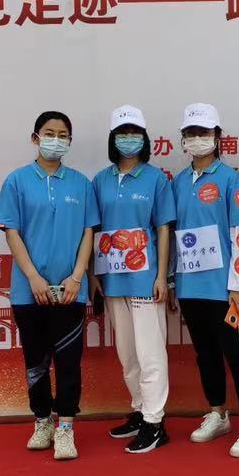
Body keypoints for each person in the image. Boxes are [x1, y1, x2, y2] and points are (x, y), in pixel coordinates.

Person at [0, 111, 98, 461]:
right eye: (49, 133)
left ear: (70, 141)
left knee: (69, 362)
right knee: (35, 361)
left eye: (63, 135)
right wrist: (33, 277)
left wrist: (77, 276)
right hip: (29, 290)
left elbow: (88, 232)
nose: (56, 140)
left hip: (70, 290)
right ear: (35, 138)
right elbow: (11, 232)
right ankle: (42, 421)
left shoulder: (81, 184)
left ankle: (65, 426)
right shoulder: (17, 181)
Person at [168, 102, 239, 458]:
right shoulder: (178, 182)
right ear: (183, 139)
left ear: (217, 136)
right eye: (191, 133)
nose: (197, 139)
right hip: (190, 286)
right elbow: (174, 236)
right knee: (205, 354)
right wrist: (173, 281)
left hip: (224, 290)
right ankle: (218, 413)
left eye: (204, 132)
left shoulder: (230, 179)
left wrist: (238, 284)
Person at [90, 105, 176, 455]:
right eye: (122, 133)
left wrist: (162, 276)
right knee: (127, 354)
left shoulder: (156, 179)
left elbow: (163, 229)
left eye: (135, 133)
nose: (129, 138)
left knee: (150, 352)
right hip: (112, 280)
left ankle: (156, 422)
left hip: (145, 279)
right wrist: (95, 275)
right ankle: (140, 410)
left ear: (145, 138)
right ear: (113, 139)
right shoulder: (100, 180)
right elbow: (94, 230)